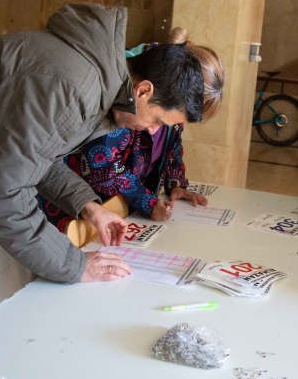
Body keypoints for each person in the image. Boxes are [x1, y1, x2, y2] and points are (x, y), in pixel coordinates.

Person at [0, 3, 220, 375]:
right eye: (159, 121)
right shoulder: (69, 82)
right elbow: (2, 194)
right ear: (143, 90)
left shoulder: (104, 89)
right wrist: (74, 264)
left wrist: (88, 206)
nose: (154, 132)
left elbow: (33, 154)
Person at [40, 29, 224, 229]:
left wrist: (175, 183)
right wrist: (146, 202)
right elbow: (102, 164)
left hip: (113, 208)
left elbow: (173, 144)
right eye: (158, 121)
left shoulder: (167, 100)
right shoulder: (125, 100)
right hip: (79, 203)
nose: (154, 130)